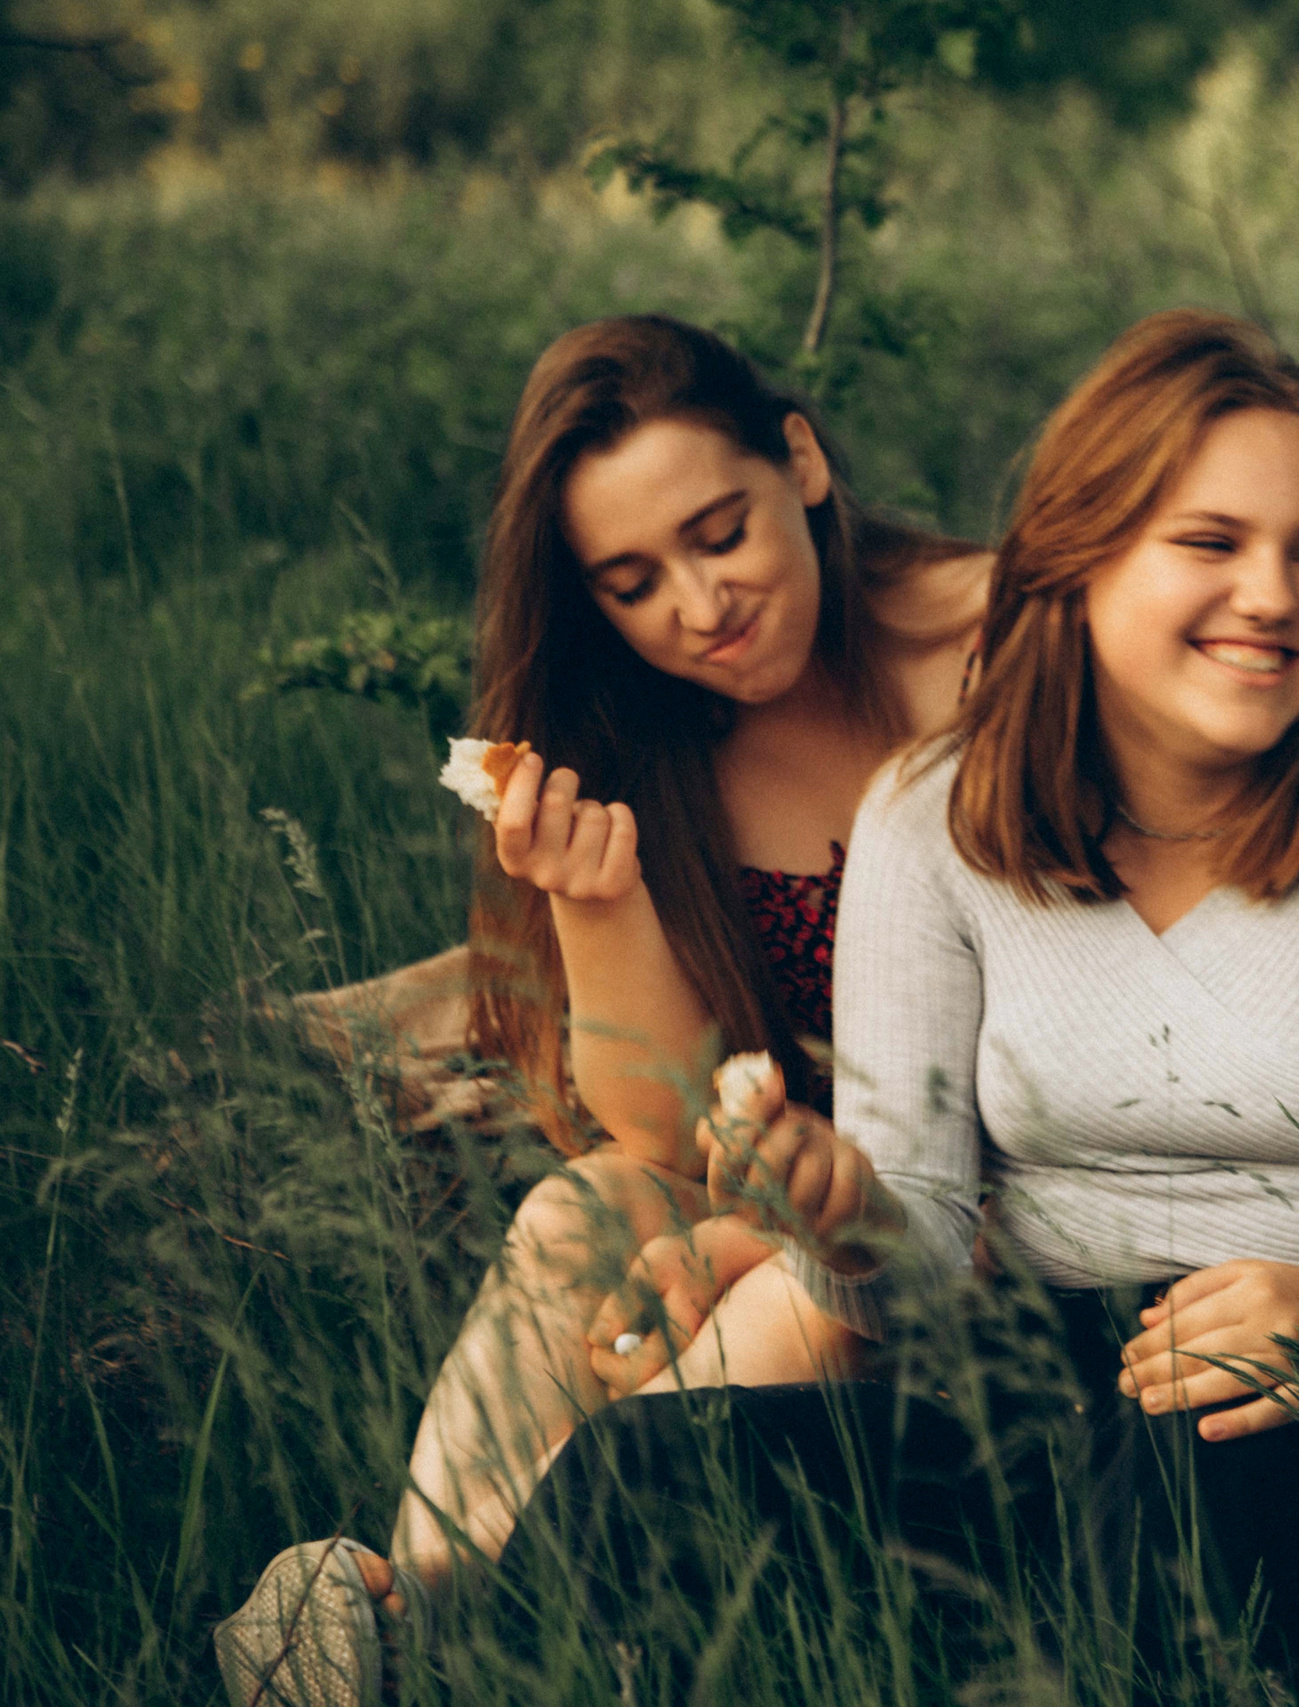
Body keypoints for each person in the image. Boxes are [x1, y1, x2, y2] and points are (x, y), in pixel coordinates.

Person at [501, 308, 1299, 1687]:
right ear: (1081, 558)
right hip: (1036, 1382)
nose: (1274, 595)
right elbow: (915, 1259)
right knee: (642, 1471)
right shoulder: (931, 818)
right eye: (1212, 544)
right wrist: (837, 1208)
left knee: (1180, 1494)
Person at [215, 315, 989, 1707]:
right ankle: (418, 1602)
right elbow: (658, 1133)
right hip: (793, 1198)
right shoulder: (651, 731)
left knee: (739, 1274)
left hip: (982, 1219)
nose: (701, 608)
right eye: (634, 582)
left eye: (721, 532)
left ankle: (453, 1635)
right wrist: (595, 902)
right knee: (581, 1212)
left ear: (800, 460)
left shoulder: (998, 646)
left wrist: (767, 1241)